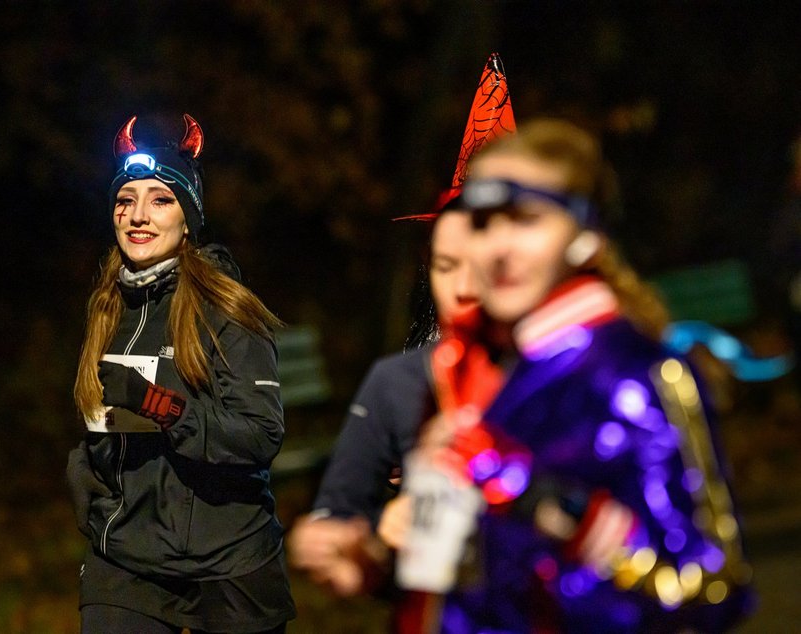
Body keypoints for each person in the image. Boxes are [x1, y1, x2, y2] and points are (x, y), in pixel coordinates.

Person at [399, 117, 754, 633]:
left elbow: (712, 586)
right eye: (482, 222)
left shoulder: (637, 375)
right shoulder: (476, 366)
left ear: (585, 235)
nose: (498, 247)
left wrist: (536, 494)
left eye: (525, 219)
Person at [65, 114, 296, 634]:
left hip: (227, 560)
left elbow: (260, 435)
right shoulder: (107, 305)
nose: (138, 216)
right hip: (126, 557)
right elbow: (101, 416)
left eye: (160, 199)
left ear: (188, 218)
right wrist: (82, 467)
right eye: (126, 200)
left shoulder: (227, 309)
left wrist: (160, 405)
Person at [287, 205, 483, 597]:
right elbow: (340, 513)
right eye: (445, 266)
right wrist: (348, 544)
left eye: (481, 266)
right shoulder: (397, 380)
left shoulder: (577, 375)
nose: (462, 288)